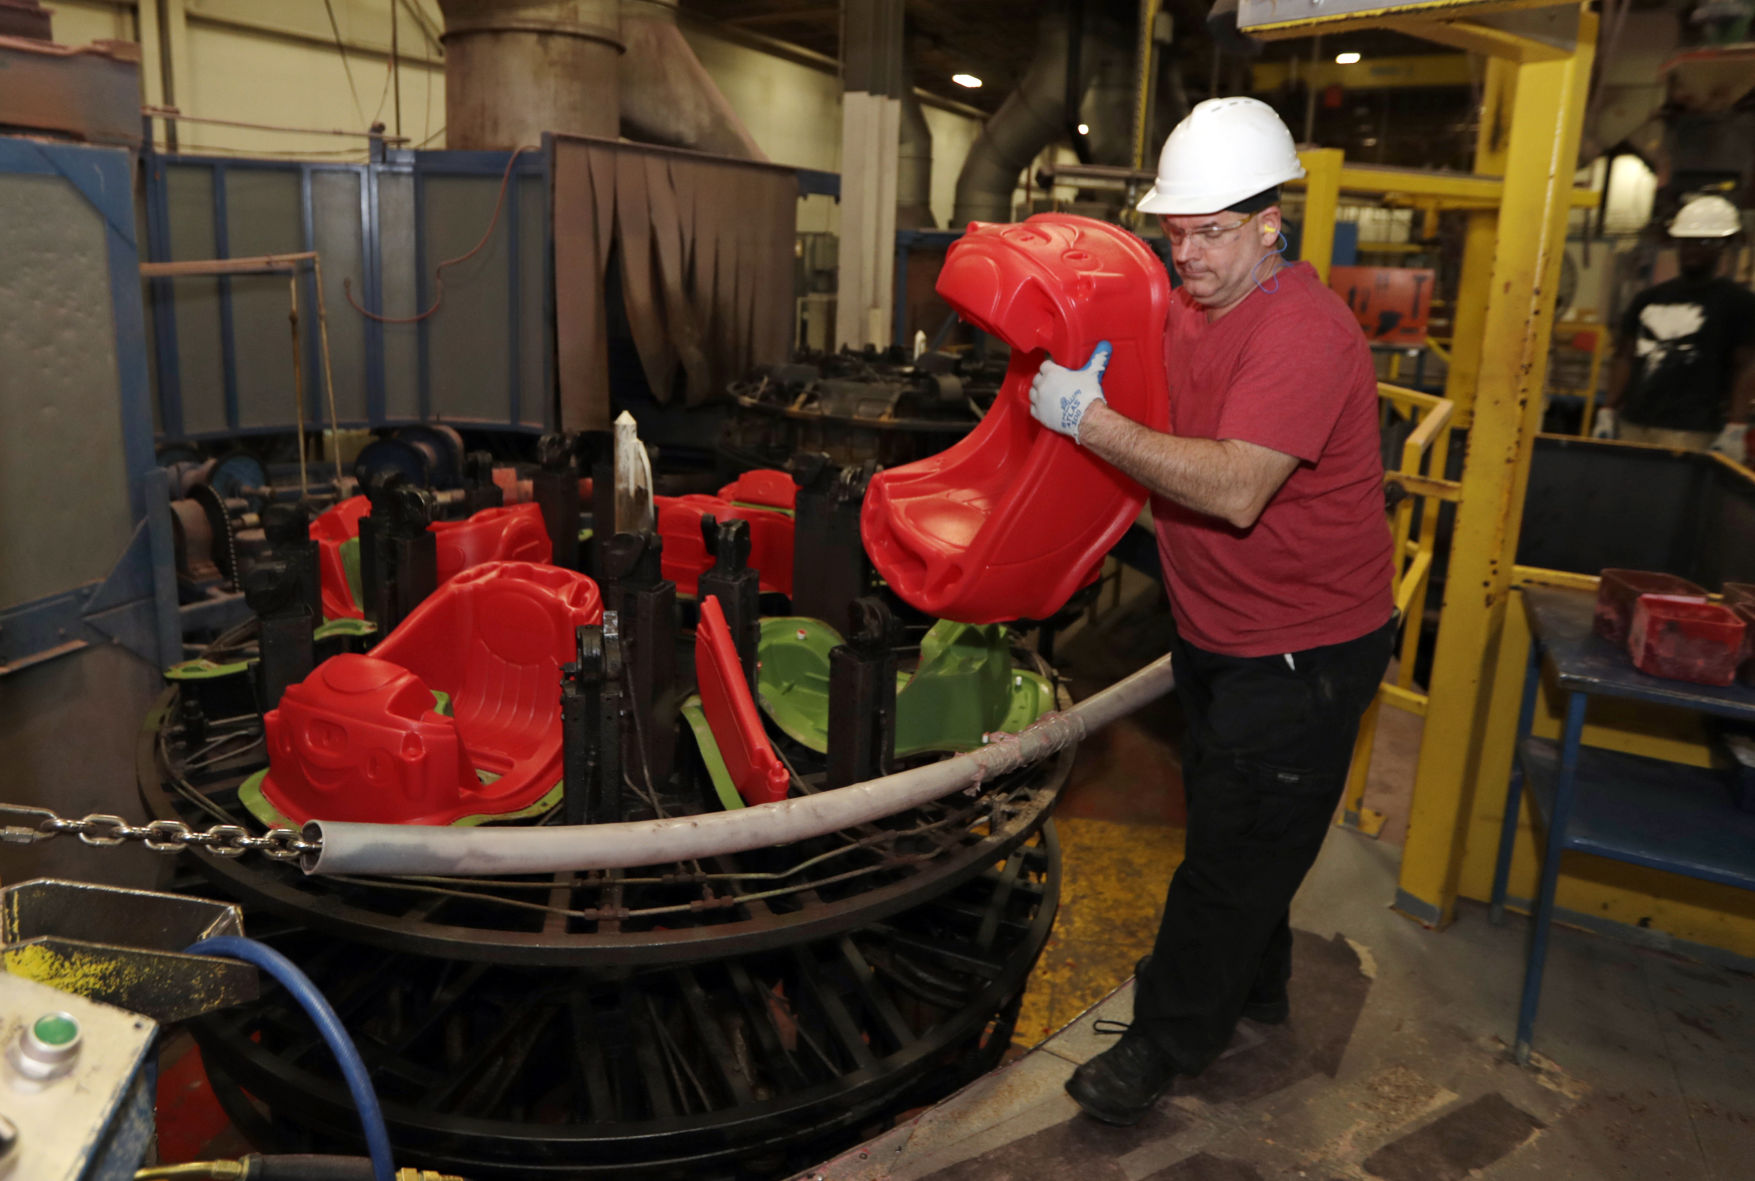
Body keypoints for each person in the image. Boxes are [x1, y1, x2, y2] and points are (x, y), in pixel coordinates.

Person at [1026, 97, 1395, 1126]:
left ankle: (1164, 1039)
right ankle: (1259, 985)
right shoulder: (1194, 301)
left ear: (1271, 224)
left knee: (1227, 859)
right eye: (1174, 230)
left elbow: (1235, 486)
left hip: (1304, 650)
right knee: (1247, 823)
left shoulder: (1304, 333)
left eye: (1211, 231)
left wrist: (1092, 422)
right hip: (1219, 628)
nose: (1185, 253)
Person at [1593, 194, 1755, 463]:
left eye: (1704, 242)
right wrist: (1608, 409)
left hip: (1693, 431)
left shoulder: (1739, 303)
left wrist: (1736, 426)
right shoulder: (1648, 299)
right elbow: (1625, 355)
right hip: (1634, 423)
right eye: (1687, 241)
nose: (1693, 249)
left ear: (1723, 245)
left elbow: (1746, 365)